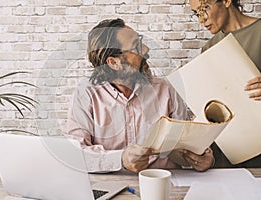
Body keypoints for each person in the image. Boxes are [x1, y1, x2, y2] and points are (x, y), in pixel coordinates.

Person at [66, 18, 214, 173]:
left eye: (141, 42)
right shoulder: (86, 95)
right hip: (112, 187)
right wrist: (121, 159)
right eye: (136, 46)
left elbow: (185, 145)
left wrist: (201, 159)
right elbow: (76, 154)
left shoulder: (165, 89)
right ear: (114, 63)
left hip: (166, 185)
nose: (146, 49)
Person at [189, 0, 261, 167]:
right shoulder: (209, 48)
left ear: (227, 1)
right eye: (196, 13)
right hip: (227, 159)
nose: (202, 19)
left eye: (205, 8)